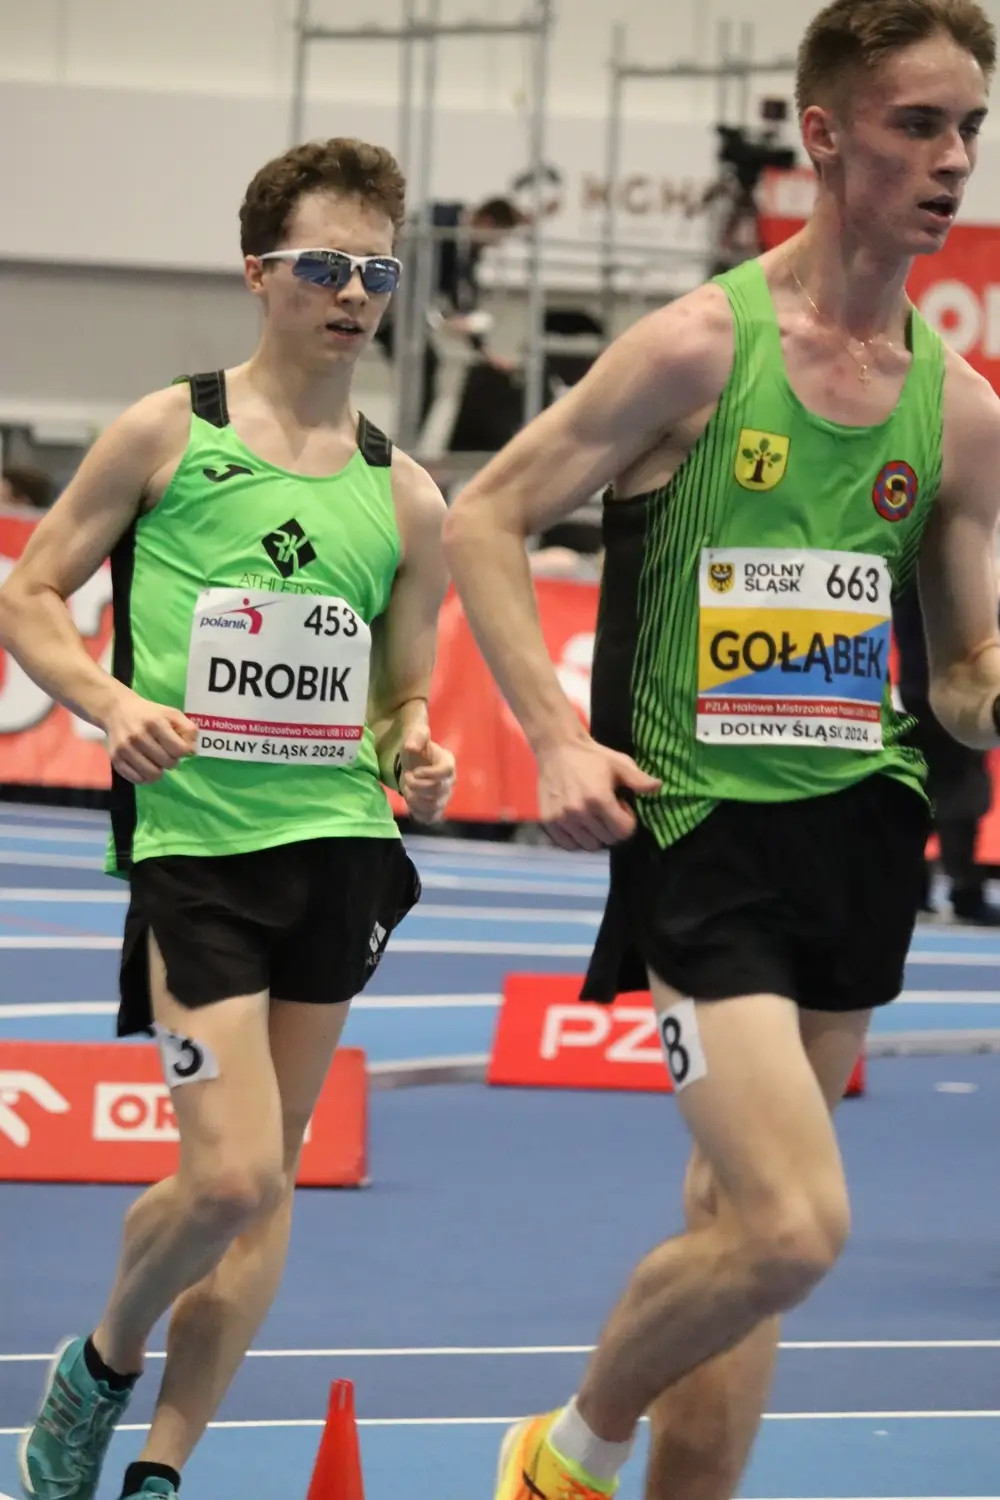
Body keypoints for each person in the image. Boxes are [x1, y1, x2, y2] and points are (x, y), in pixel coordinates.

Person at [443, 3, 999, 1498]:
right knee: (794, 1226)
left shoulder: (960, 414)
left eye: (970, 132)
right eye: (917, 126)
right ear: (824, 134)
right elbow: (483, 518)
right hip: (705, 837)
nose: (953, 162)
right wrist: (555, 739)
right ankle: (563, 1455)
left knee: (737, 1229)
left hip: (860, 834)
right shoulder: (699, 347)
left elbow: (958, 682)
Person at [0, 136, 455, 1500]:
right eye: (325, 264)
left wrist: (416, 748)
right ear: (259, 273)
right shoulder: (166, 431)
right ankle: (101, 1361)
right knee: (231, 1182)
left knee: (273, 1185)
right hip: (199, 852)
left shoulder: (406, 493)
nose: (353, 292)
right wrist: (102, 701)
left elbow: (405, 688)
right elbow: (29, 596)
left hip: (340, 857)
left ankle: (161, 1470)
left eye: (377, 269)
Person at [894, 578, 1000, 922]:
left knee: (946, 792)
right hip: (937, 693)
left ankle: (935, 889)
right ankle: (952, 889)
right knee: (940, 792)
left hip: (937, 693)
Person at [373, 194, 525, 429]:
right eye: (498, 237)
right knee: (421, 367)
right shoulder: (438, 223)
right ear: (487, 222)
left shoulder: (466, 245)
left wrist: (483, 351)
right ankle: (404, 445)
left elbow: (462, 295)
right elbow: (417, 277)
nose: (497, 245)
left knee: (426, 367)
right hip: (387, 306)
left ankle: (406, 445)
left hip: (404, 313)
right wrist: (442, 318)